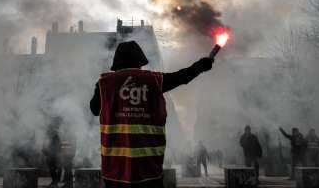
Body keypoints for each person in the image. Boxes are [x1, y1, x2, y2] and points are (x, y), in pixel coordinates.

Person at [90, 41, 214, 188]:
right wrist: (201, 65)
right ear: (140, 61)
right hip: (148, 169)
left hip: (115, 171)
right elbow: (182, 77)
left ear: (117, 62)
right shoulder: (154, 80)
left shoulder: (104, 83)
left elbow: (94, 109)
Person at [43, 117, 62, 188]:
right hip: (51, 155)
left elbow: (57, 146)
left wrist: (51, 152)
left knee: (53, 169)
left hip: (54, 155)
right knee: (52, 169)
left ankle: (55, 182)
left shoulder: (55, 135)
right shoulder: (52, 135)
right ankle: (54, 182)